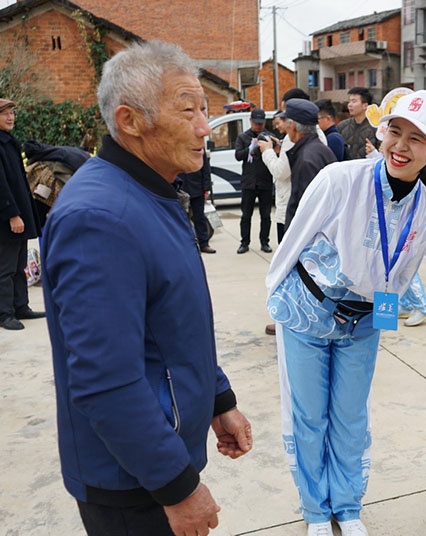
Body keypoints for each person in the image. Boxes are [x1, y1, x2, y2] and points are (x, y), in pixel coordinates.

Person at [40, 41, 253, 536]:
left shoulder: (151, 191)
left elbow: (175, 325)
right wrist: (177, 488)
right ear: (131, 121)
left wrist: (219, 400)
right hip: (130, 482)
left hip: (158, 454)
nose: (205, 127)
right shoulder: (100, 218)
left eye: (205, 109)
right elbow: (104, 380)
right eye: (188, 110)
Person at [265, 90, 426, 536]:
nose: (401, 146)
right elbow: (294, 240)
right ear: (382, 131)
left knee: (350, 417)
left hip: (363, 323)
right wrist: (274, 295)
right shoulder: (340, 178)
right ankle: (314, 511)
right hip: (306, 313)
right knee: (309, 417)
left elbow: (402, 274)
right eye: (395, 132)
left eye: (417, 139)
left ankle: (347, 507)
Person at [260, 88, 328, 246]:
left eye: (286, 115)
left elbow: (280, 172)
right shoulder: (317, 138)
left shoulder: (298, 144)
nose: (285, 122)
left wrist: (267, 151)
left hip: (296, 219)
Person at [0, 98, 45, 331]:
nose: (10, 117)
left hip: (17, 214)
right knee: (5, 268)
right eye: (5, 113)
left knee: (19, 266)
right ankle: (4, 313)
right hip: (7, 217)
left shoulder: (10, 142)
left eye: (12, 113)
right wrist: (12, 214)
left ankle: (21, 306)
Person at [235, 107, 274, 254]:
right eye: (256, 123)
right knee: (246, 215)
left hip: (265, 181)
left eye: (261, 123)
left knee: (266, 215)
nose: (258, 126)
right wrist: (251, 147)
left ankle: (265, 242)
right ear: (250, 121)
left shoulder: (269, 137)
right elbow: (238, 155)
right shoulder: (242, 137)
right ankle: (244, 242)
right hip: (248, 182)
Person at [178, 147, 215, 253]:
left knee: (199, 217)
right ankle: (185, 245)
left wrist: (206, 187)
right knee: (181, 219)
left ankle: (204, 244)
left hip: (197, 187)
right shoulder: (175, 144)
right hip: (180, 189)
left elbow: (205, 168)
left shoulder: (197, 146)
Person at [339, 87, 380, 160]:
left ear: (365, 105)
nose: (349, 105)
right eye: (349, 101)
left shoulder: (376, 127)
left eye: (354, 101)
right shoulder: (342, 126)